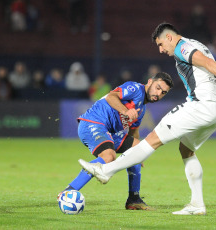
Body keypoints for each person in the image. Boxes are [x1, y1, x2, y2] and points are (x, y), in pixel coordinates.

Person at [78, 22, 216, 215]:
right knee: (186, 149)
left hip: (201, 105)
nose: (161, 50)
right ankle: (197, 204)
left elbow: (210, 64)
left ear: (169, 37)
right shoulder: (195, 43)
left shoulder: (182, 48)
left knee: (152, 140)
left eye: (161, 44)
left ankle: (105, 171)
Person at [59, 72, 173, 210]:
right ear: (150, 82)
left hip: (110, 132)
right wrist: (125, 111)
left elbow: (133, 132)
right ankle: (67, 192)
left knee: (139, 148)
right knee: (109, 156)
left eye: (163, 92)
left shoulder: (142, 109)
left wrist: (138, 154)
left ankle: (134, 199)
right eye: (158, 87)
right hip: (92, 123)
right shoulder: (135, 88)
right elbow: (111, 97)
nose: (158, 93)